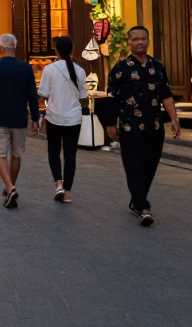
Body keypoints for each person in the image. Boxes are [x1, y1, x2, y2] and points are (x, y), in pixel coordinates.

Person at [105, 25, 180, 226]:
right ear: (129, 43)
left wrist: (173, 118)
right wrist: (110, 124)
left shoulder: (158, 66)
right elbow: (111, 98)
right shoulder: (120, 69)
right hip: (130, 127)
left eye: (144, 39)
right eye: (136, 39)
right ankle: (142, 206)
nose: (140, 43)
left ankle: (137, 200)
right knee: (133, 166)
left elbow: (166, 93)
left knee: (150, 165)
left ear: (148, 41)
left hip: (155, 126)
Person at [0, 33, 39, 208]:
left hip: (0, 117)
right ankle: (10, 187)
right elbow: (32, 96)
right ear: (15, 47)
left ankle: (9, 186)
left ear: (1, 48)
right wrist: (35, 118)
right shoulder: (26, 68)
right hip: (19, 117)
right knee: (16, 154)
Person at [39, 36, 89, 203]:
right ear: (72, 50)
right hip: (74, 118)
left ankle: (58, 184)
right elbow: (83, 97)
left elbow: (43, 94)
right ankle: (67, 192)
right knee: (70, 155)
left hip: (54, 116)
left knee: (53, 151)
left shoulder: (49, 69)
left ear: (56, 51)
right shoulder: (80, 71)